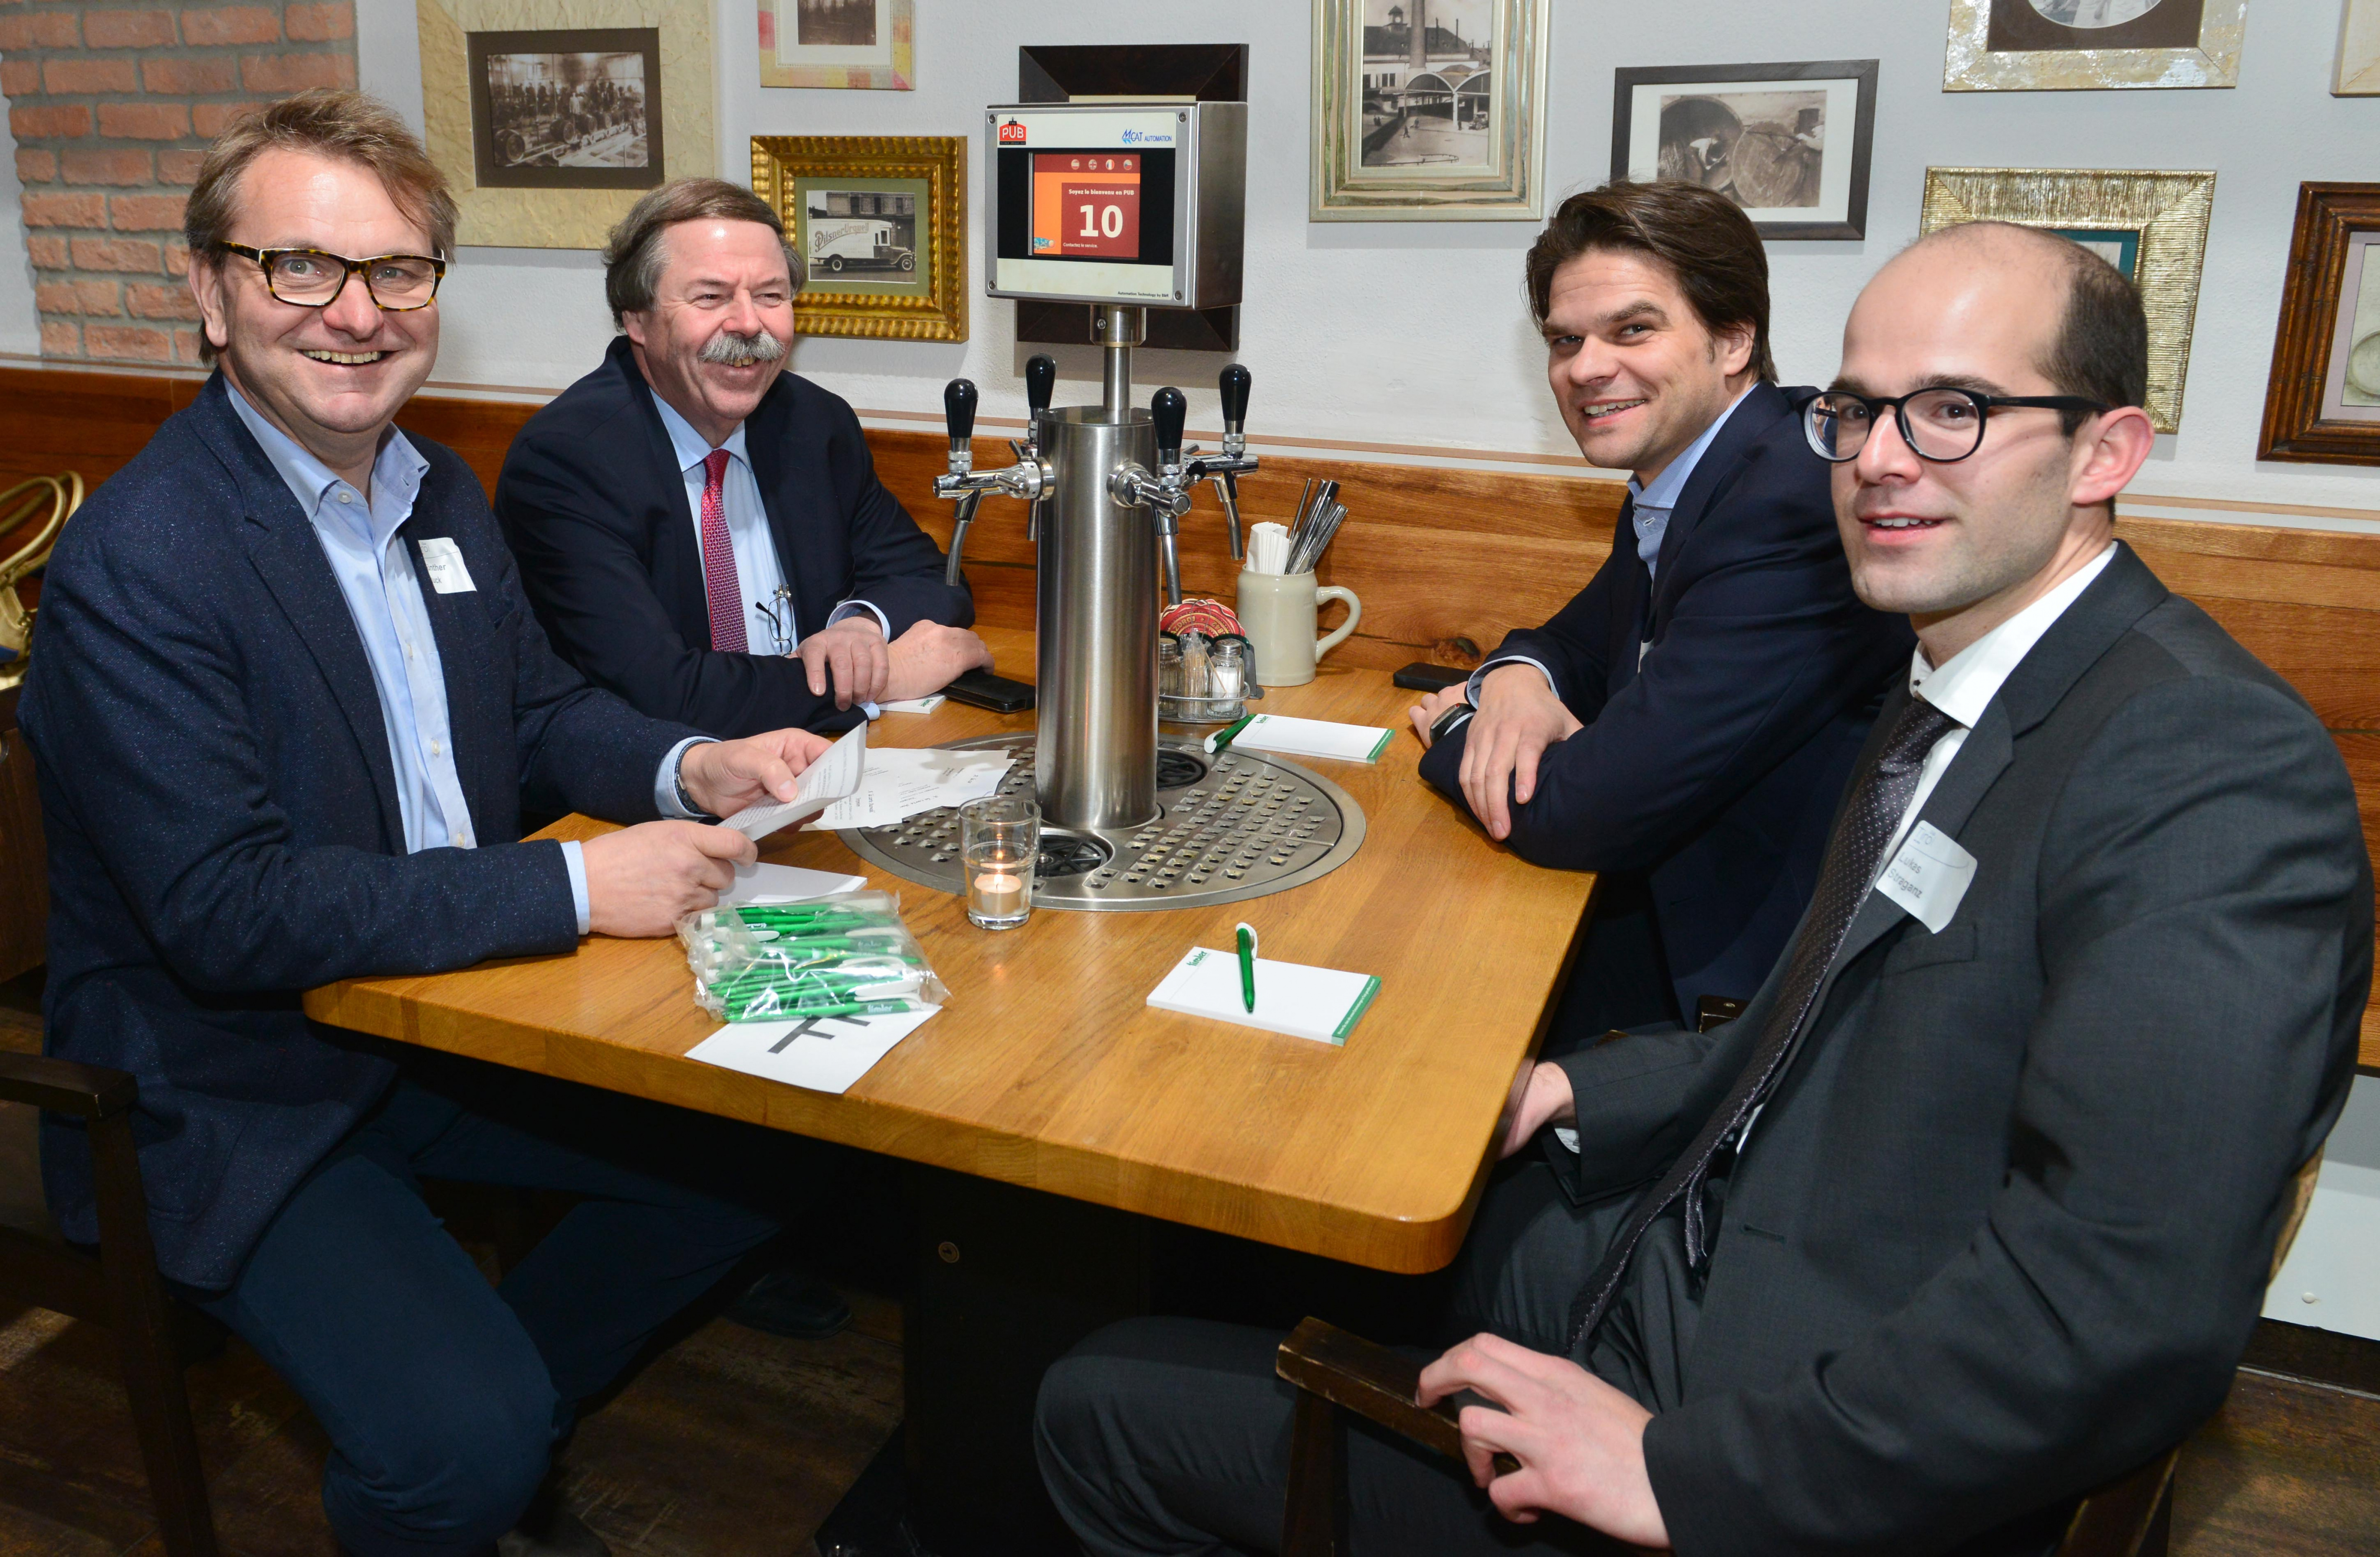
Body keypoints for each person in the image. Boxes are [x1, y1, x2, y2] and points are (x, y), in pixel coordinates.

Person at [1035, 223, 2370, 1555]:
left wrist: (1678, 1474)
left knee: (1098, 1402)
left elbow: (2124, 1308)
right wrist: (1575, 1090)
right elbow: (1835, 1023)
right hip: (1731, 1247)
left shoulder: (2207, 764)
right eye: (1857, 411)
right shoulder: (1962, 686)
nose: (1881, 458)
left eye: (1953, 410)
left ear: (2105, 453)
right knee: (1335, 1207)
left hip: (1785, 1422)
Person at [20, 92, 826, 1557]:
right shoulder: (143, 562)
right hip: (237, 1079)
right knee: (458, 1444)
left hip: (445, 1012)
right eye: (300, 267)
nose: (357, 313)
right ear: (210, 292)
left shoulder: (435, 488)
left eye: (397, 270)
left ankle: (500, 1430)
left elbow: (537, 713)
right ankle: (474, 1456)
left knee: (776, 1156)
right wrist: (576, 884)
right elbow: (227, 912)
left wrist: (693, 763)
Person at [1408, 181, 1910, 1034]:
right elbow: (1575, 642)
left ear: (1734, 340)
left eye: (1633, 329)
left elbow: (1583, 811)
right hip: (1667, 901)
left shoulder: (1789, 500)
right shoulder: (1699, 464)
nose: (1586, 368)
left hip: (1749, 988)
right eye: (1566, 340)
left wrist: (1458, 725)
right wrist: (1517, 684)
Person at [495, 178, 990, 738]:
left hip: (820, 758)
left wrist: (859, 630)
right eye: (710, 297)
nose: (749, 324)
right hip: (659, 779)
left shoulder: (812, 423)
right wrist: (879, 677)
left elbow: (929, 577)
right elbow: (664, 693)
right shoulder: (566, 461)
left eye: (771, 296)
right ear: (636, 320)